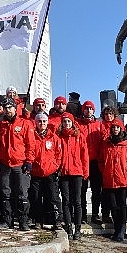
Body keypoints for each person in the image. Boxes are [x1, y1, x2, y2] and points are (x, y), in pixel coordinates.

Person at [0, 97, 35, 231]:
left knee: (22, 193)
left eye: (10, 108)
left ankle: (23, 221)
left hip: (20, 164)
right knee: (6, 193)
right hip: (5, 164)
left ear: (14, 108)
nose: (7, 110)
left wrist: (28, 161)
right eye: (5, 108)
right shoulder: (0, 125)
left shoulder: (25, 123)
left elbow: (30, 145)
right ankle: (7, 220)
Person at [99, 118, 127, 241]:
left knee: (122, 205)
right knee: (113, 206)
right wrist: (104, 171)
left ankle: (122, 230)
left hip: (122, 180)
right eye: (113, 127)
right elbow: (100, 160)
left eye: (117, 127)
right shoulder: (106, 143)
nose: (115, 129)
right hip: (109, 180)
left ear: (121, 129)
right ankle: (116, 228)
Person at [57, 112, 89, 240]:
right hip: (64, 172)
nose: (66, 124)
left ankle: (78, 228)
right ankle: (69, 227)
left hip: (77, 172)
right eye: (64, 122)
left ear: (72, 123)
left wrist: (85, 171)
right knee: (66, 201)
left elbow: (84, 155)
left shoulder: (79, 136)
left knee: (77, 201)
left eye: (68, 121)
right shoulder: (59, 137)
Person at [29, 113, 62, 230]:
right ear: (36, 122)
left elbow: (59, 154)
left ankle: (57, 220)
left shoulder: (53, 138)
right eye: (39, 121)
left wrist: (55, 166)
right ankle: (38, 220)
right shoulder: (31, 136)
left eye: (44, 121)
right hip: (36, 172)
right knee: (36, 197)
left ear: (47, 122)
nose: (42, 123)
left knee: (53, 197)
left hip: (50, 172)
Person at [76, 100, 103, 225]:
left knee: (96, 190)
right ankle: (82, 214)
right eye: (86, 108)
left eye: (91, 108)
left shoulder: (99, 125)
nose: (88, 110)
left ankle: (95, 214)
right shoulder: (77, 124)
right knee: (82, 189)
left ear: (94, 110)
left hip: (95, 162)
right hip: (82, 162)